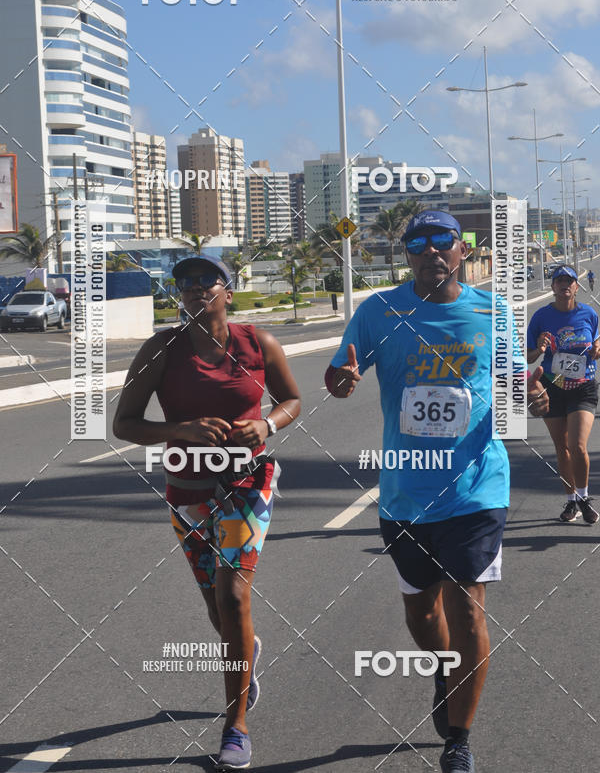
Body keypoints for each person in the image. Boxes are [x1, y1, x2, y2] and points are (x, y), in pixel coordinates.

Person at [324, 210, 549, 773]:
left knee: (467, 611)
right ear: (407, 254)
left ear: (461, 249)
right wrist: (341, 380)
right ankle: (447, 670)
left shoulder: (494, 311)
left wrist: (533, 395)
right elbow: (338, 375)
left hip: (477, 487)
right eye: (418, 243)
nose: (431, 251)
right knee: (422, 616)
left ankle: (459, 739)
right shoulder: (378, 311)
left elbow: (516, 384)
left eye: (442, 241)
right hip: (405, 491)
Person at [113, 255, 301, 770]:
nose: (195, 289)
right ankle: (245, 650)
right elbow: (125, 424)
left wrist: (267, 425)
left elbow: (291, 400)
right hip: (188, 491)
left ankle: (235, 726)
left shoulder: (258, 344)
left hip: (247, 484)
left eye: (206, 281)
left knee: (234, 596)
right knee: (218, 610)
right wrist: (180, 430)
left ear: (228, 293)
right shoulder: (161, 350)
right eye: (185, 283)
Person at [527, 265, 600, 524]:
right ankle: (571, 501)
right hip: (553, 385)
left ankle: (584, 497)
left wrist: (598, 348)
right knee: (562, 447)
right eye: (559, 281)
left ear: (576, 287)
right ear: (553, 287)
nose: (564, 285)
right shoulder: (541, 317)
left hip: (583, 385)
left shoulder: (589, 314)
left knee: (578, 445)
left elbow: (597, 341)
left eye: (569, 281)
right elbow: (528, 357)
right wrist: (539, 349)